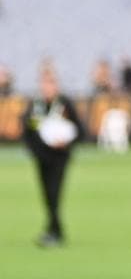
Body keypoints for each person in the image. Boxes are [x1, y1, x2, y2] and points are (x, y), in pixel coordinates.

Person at [21, 66, 85, 248]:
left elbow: (80, 130)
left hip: (60, 158)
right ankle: (53, 230)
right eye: (44, 84)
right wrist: (35, 151)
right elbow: (29, 131)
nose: (47, 88)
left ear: (56, 85)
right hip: (42, 157)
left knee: (54, 193)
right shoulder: (36, 106)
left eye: (51, 84)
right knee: (46, 194)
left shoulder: (64, 104)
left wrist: (65, 143)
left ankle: (55, 231)